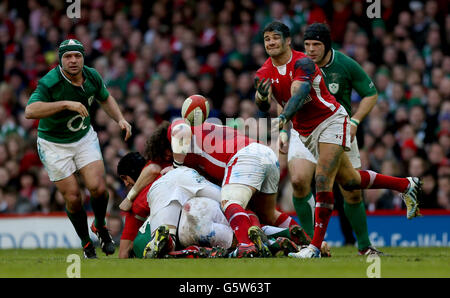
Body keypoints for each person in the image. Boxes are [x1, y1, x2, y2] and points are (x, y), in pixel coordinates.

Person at [254, 21, 421, 258]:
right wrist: (261, 98)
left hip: (331, 120)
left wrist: (282, 119)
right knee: (350, 181)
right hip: (304, 131)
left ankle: (314, 248)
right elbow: (262, 103)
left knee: (323, 179)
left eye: (275, 38)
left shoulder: (303, 63)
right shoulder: (263, 72)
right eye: (266, 39)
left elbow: (299, 94)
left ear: (288, 40)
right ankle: (406, 185)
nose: (270, 43)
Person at [25, 39, 132, 259]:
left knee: (98, 188)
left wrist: (120, 119)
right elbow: (30, 110)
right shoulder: (50, 82)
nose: (73, 60)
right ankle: (86, 244)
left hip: (83, 137)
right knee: (73, 197)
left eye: (77, 56)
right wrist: (65, 103)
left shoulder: (92, 75)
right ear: (60, 60)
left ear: (83, 57)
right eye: (67, 56)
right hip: (53, 144)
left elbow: (105, 98)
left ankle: (100, 226)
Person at [149, 119, 310, 258]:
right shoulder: (200, 148)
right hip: (265, 153)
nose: (169, 160)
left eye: (167, 157)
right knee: (268, 215)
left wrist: (176, 167)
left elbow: (181, 130)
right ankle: (309, 244)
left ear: (166, 148)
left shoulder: (178, 129)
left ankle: (246, 245)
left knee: (229, 201)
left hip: (244, 156)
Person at [298, 23, 381, 255]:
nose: (311, 50)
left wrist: (355, 121)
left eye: (316, 45)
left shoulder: (344, 64)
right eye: (307, 45)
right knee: (301, 182)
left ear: (327, 45)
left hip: (340, 130)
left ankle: (364, 246)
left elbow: (371, 93)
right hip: (306, 134)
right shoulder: (299, 66)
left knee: (352, 189)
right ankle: (310, 244)